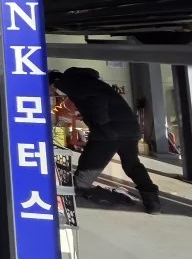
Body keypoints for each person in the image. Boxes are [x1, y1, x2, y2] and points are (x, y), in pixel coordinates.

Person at [49, 67, 161, 214]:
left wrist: (100, 124)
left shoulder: (73, 83)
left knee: (82, 182)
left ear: (56, 81)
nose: (53, 90)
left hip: (108, 133)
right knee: (132, 165)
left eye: (52, 86)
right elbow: (99, 101)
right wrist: (90, 116)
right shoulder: (95, 83)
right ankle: (153, 202)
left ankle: (118, 198)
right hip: (130, 129)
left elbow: (97, 101)